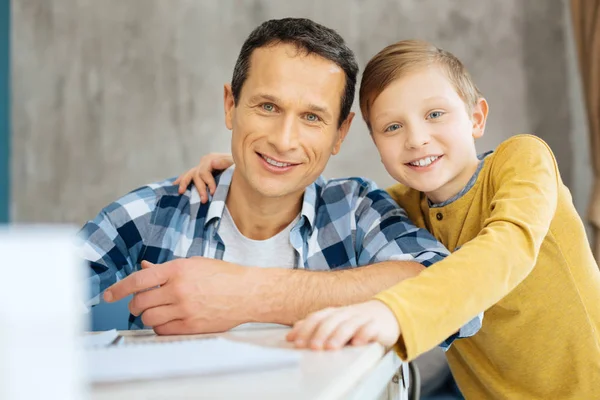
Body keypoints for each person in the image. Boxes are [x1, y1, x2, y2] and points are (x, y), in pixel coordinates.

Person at [178, 40, 600, 399]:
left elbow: (506, 249)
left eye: (435, 114)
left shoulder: (522, 160)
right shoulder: (400, 206)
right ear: (375, 143)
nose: (416, 138)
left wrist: (394, 312)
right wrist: (243, 174)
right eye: (392, 126)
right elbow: (325, 201)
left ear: (476, 117)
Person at [76, 19, 483, 344]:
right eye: (268, 106)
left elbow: (451, 295)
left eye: (312, 117)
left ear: (340, 133)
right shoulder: (149, 216)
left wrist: (246, 294)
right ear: (230, 106)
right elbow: (23, 306)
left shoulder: (356, 212)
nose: (284, 140)